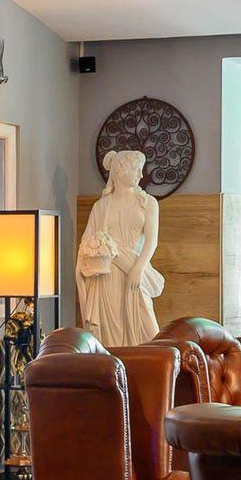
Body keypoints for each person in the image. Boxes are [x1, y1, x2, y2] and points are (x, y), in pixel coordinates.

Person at [77, 147, 164, 347]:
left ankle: (149, 364)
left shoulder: (148, 203)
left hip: (133, 268)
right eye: (136, 169)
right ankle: (113, 365)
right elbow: (87, 242)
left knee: (149, 330)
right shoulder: (101, 206)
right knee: (110, 333)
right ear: (119, 171)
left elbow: (152, 241)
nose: (141, 175)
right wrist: (91, 255)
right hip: (106, 273)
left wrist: (138, 269)